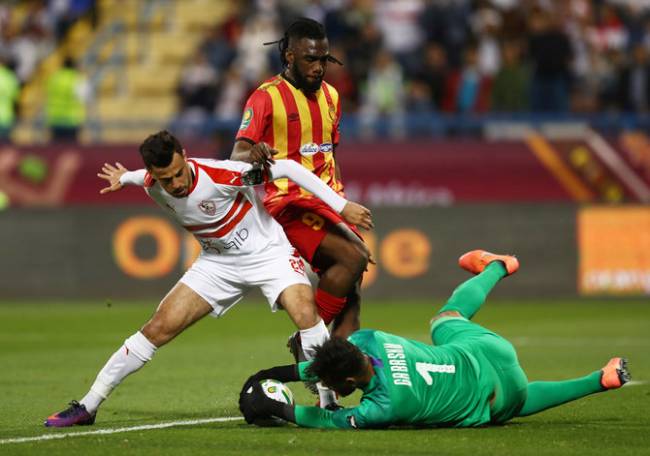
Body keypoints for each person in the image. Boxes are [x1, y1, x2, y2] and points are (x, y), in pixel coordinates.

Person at [44, 130, 373, 427]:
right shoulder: (151, 181)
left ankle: (327, 404)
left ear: (185, 156)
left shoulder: (219, 175)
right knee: (156, 329)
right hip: (217, 264)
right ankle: (88, 406)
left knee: (305, 314)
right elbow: (139, 176)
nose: (175, 184)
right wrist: (122, 177)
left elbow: (287, 168)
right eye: (166, 179)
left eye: (177, 173)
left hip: (269, 254)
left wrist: (341, 206)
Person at [239, 249, 631, 429]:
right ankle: (496, 268)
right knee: (445, 320)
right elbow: (334, 360)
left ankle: (598, 379)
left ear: (347, 384)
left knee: (518, 399)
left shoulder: (386, 407)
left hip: (499, 397)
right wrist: (273, 373)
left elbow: (326, 417)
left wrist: (280, 408)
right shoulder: (371, 339)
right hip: (486, 351)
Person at [229, 18, 368, 349]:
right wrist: (255, 152)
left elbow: (328, 154)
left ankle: (333, 373)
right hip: (289, 203)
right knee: (353, 257)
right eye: (310, 59)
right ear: (289, 56)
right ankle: (304, 340)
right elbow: (237, 152)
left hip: (330, 201)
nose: (319, 67)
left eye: (323, 58)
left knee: (351, 292)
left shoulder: (332, 96)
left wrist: (337, 201)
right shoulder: (266, 98)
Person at [45, 56, 89, 142]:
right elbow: (84, 97)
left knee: (56, 150)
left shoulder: (54, 78)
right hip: (72, 120)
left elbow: (47, 93)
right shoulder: (77, 79)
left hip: (55, 118)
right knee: (70, 150)